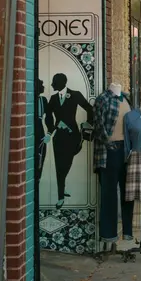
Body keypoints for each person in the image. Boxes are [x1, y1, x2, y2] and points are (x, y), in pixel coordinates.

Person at [45, 73, 94, 208]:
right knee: (59, 166)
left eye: (54, 82)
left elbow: (89, 108)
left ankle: (62, 185)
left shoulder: (75, 94)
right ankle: (60, 195)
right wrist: (51, 129)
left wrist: (87, 123)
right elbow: (48, 115)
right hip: (59, 137)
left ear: (61, 83)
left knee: (66, 164)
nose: (52, 85)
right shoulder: (54, 98)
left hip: (73, 136)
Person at [35, 78, 48, 183]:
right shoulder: (30, 100)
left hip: (40, 133)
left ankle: (38, 178)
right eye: (41, 84)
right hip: (35, 131)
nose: (43, 86)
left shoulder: (43, 100)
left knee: (41, 157)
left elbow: (49, 119)